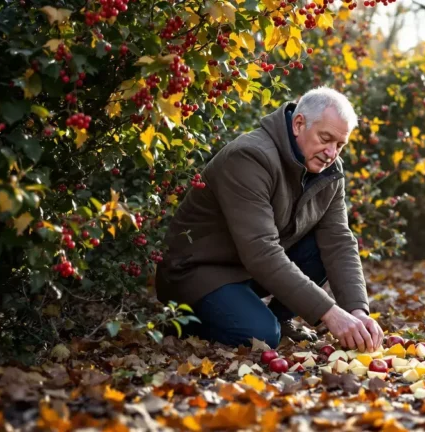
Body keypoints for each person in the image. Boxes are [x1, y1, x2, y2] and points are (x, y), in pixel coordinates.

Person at [155, 87, 383, 352]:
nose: (331, 153)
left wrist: (357, 311)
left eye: (340, 145)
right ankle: (183, 323)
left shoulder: (329, 169)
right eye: (325, 138)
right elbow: (261, 250)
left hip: (245, 268)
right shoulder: (249, 157)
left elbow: (339, 241)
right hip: (198, 272)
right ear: (299, 124)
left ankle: (275, 319)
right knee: (261, 336)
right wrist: (330, 313)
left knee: (322, 249)